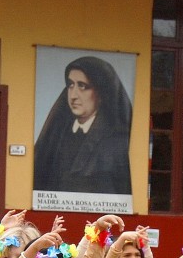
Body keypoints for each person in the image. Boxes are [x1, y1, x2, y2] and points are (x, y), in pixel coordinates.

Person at [34, 56, 132, 195]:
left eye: (83, 86)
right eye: (70, 85)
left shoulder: (114, 140)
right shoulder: (56, 134)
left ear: (101, 93)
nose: (73, 95)